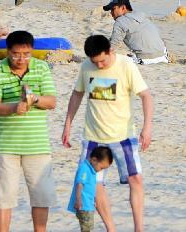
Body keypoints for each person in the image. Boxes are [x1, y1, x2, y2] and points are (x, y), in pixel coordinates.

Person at [62, 35, 154, 232]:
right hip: (93, 138)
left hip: (123, 136)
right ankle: (111, 228)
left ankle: (139, 228)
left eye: (103, 60)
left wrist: (147, 127)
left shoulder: (126, 65)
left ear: (110, 51)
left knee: (135, 179)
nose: (100, 65)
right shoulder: (86, 66)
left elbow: (146, 95)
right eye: (96, 62)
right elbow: (77, 94)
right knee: (93, 184)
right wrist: (67, 124)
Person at [0, 29, 58, 232]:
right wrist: (13, 108)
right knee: (3, 197)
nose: (21, 58)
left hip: (37, 144)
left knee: (41, 195)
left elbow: (52, 102)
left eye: (26, 54)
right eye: (16, 54)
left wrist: (35, 99)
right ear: (7, 51)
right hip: (5, 145)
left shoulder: (42, 68)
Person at [103, 0, 168, 65]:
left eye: (113, 9)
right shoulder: (141, 14)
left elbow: (113, 45)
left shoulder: (120, 21)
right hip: (163, 55)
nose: (111, 13)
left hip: (145, 60)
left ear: (123, 7)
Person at [69, 146, 114, 232]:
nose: (100, 171)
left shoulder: (91, 170)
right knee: (87, 228)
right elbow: (79, 184)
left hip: (88, 205)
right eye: (101, 168)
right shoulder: (85, 169)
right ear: (94, 160)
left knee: (88, 227)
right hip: (83, 206)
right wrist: (78, 200)